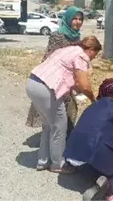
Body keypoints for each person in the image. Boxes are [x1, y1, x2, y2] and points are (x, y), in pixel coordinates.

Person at [25, 36, 101, 173]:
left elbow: (73, 80)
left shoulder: (67, 49)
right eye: (94, 55)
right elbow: (84, 85)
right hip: (46, 89)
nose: (93, 58)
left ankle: (43, 161)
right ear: (90, 50)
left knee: (48, 125)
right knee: (60, 125)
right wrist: (93, 100)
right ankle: (58, 164)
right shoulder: (81, 56)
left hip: (32, 83)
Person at [26, 6, 84, 127]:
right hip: (54, 78)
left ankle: (63, 138)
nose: (78, 22)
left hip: (68, 79)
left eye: (80, 19)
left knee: (70, 109)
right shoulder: (58, 36)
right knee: (54, 111)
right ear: (68, 19)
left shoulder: (77, 36)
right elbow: (48, 56)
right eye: (75, 18)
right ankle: (55, 138)